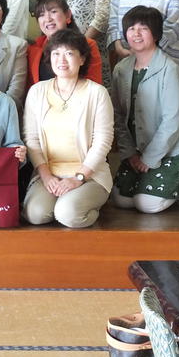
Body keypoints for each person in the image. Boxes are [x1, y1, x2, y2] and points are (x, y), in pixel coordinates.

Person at [22, 29, 114, 228]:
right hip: (50, 174)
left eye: (69, 53)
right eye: (56, 53)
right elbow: (31, 139)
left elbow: (103, 141)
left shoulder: (97, 93)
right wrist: (46, 176)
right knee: (35, 214)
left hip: (89, 175)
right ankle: (65, 201)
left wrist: (78, 178)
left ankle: (88, 207)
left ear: (82, 59)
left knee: (67, 213)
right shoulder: (37, 91)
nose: (61, 60)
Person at [111, 6, 179, 213]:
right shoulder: (121, 69)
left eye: (143, 28)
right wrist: (129, 153)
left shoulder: (169, 69)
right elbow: (117, 116)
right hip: (137, 149)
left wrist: (150, 158)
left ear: (156, 34)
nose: (136, 33)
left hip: (171, 149)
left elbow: (173, 120)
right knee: (122, 200)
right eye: (131, 28)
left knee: (146, 205)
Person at [28, 0, 103, 87]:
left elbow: (93, 87)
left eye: (53, 12)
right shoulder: (33, 49)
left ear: (67, 15)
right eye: (41, 15)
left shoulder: (88, 45)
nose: (48, 19)